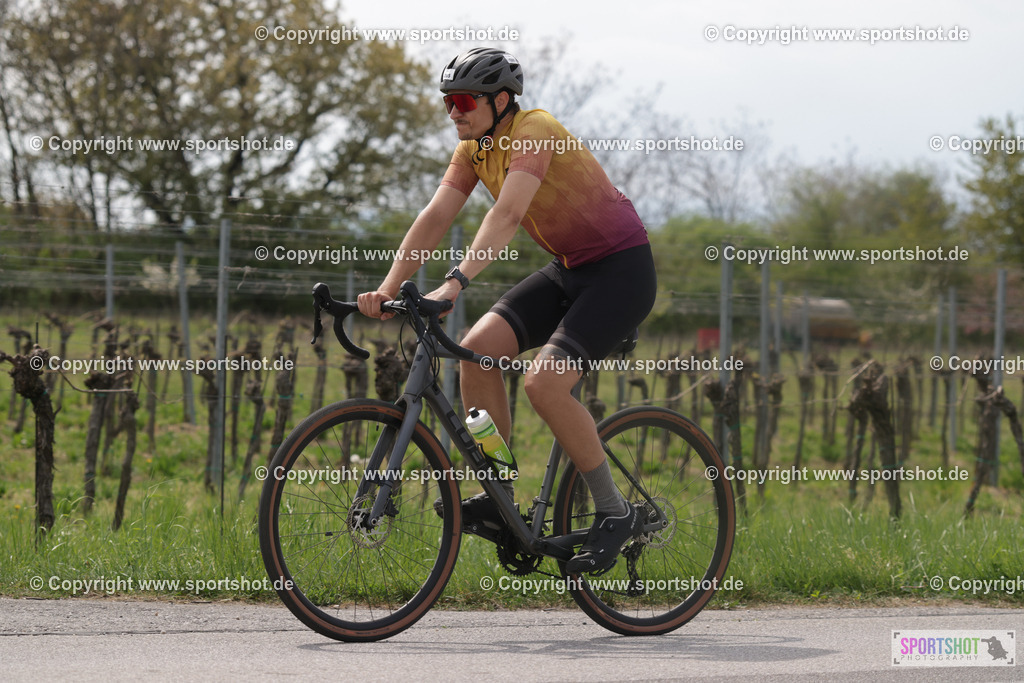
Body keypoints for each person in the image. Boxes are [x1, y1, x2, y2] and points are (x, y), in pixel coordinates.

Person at [357, 47, 656, 574]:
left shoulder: (534, 128)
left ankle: (615, 511)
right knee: (475, 351)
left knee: (544, 384)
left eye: (464, 101)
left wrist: (455, 283)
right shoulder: (474, 148)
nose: (454, 111)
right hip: (570, 267)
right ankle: (501, 496)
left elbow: (509, 212)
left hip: (622, 271)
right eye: (448, 102)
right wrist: (387, 288)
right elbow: (435, 216)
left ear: (500, 100)